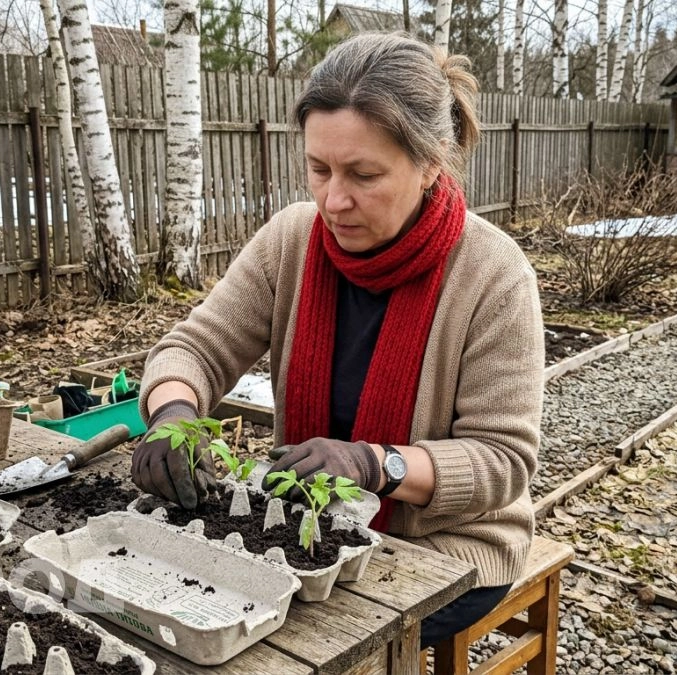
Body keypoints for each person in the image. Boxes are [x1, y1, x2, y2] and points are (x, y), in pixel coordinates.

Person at [131, 31, 544, 650]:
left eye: (364, 174)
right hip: (303, 521)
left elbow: (501, 460)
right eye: (318, 169)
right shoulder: (292, 241)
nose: (334, 199)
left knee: (294, 647)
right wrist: (173, 414)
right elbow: (195, 349)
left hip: (442, 545)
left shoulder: (493, 273)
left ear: (432, 162)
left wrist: (376, 464)